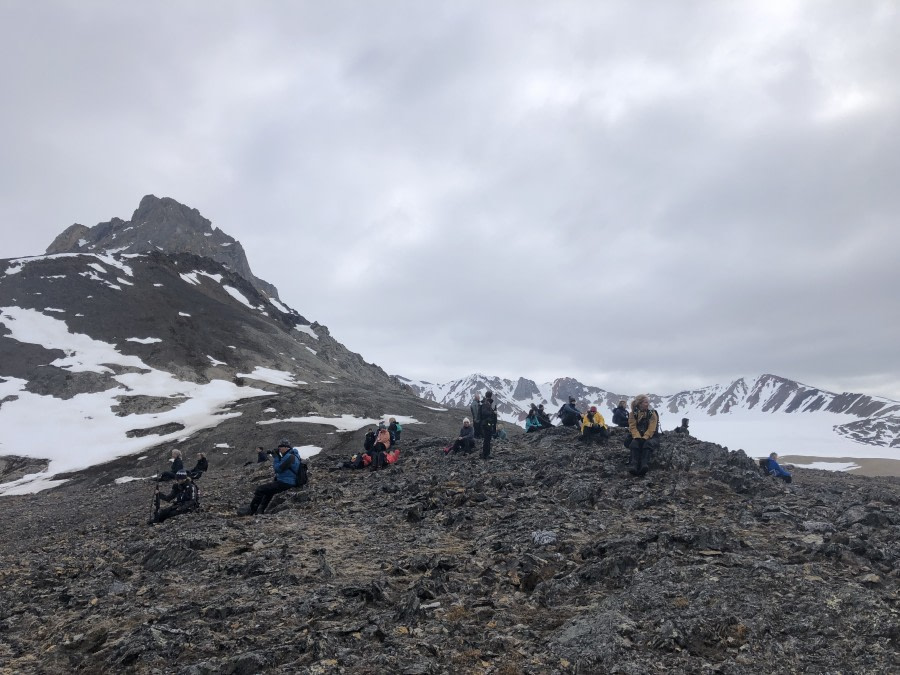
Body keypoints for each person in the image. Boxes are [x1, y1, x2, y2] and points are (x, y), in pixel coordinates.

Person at [238, 439, 306, 516]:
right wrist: (276, 456)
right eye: (279, 447)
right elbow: (283, 465)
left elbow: (278, 469)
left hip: (287, 482)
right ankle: (260, 511)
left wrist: (276, 457)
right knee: (268, 491)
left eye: (281, 447)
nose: (279, 448)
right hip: (286, 481)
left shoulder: (289, 457)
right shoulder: (290, 455)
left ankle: (251, 511)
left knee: (260, 489)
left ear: (287, 447)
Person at [627, 394, 659, 476]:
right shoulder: (633, 414)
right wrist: (637, 437)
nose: (647, 404)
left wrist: (645, 437)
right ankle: (633, 465)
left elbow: (652, 427)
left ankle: (644, 464)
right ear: (639, 403)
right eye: (645, 402)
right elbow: (632, 427)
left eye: (648, 402)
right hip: (637, 436)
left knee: (647, 444)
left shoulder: (652, 413)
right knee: (634, 443)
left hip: (651, 436)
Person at [480, 391, 498, 459]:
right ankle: (485, 454)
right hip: (486, 423)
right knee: (487, 439)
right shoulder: (486, 403)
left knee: (488, 439)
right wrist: (492, 412)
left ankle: (487, 453)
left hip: (487, 423)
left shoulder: (487, 403)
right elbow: (484, 412)